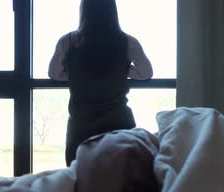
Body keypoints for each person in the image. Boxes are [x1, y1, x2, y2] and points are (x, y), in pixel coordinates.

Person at [48, 0, 153, 166]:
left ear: (83, 10)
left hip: (81, 128)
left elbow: (54, 74)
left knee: (81, 182)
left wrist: (79, 73)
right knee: (120, 182)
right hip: (119, 125)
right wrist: (123, 70)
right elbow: (146, 73)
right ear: (113, 11)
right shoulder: (127, 42)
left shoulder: (68, 41)